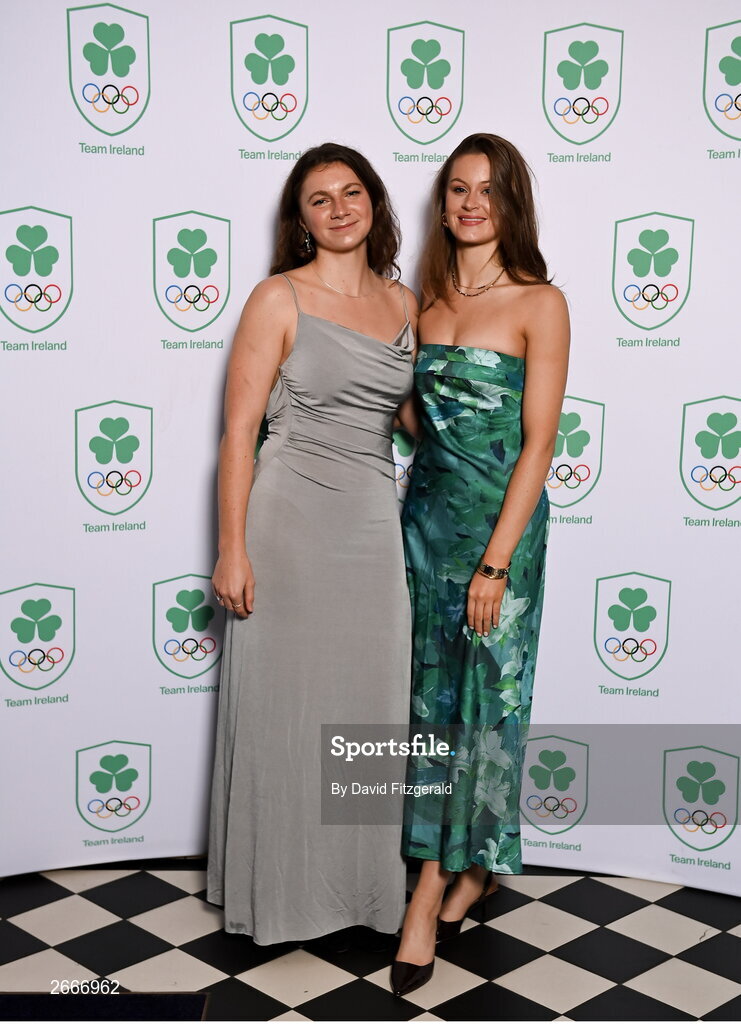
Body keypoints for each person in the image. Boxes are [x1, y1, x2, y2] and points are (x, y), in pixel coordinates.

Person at [207, 143, 418, 945]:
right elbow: (237, 432)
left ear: (373, 202)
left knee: (367, 711)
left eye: (351, 192)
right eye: (319, 199)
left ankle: (361, 894)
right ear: (300, 220)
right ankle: (278, 893)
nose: (338, 208)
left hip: (369, 526)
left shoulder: (404, 305)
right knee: (284, 713)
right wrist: (232, 548)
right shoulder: (276, 297)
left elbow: (410, 422)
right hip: (288, 522)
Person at [392, 133, 570, 996]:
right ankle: (452, 867)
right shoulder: (418, 301)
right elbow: (412, 417)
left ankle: (441, 884)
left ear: (510, 204)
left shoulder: (540, 301)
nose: (469, 204)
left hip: (503, 541)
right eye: (456, 189)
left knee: (487, 709)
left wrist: (495, 563)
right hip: (424, 530)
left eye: (486, 191)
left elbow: (538, 443)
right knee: (430, 703)